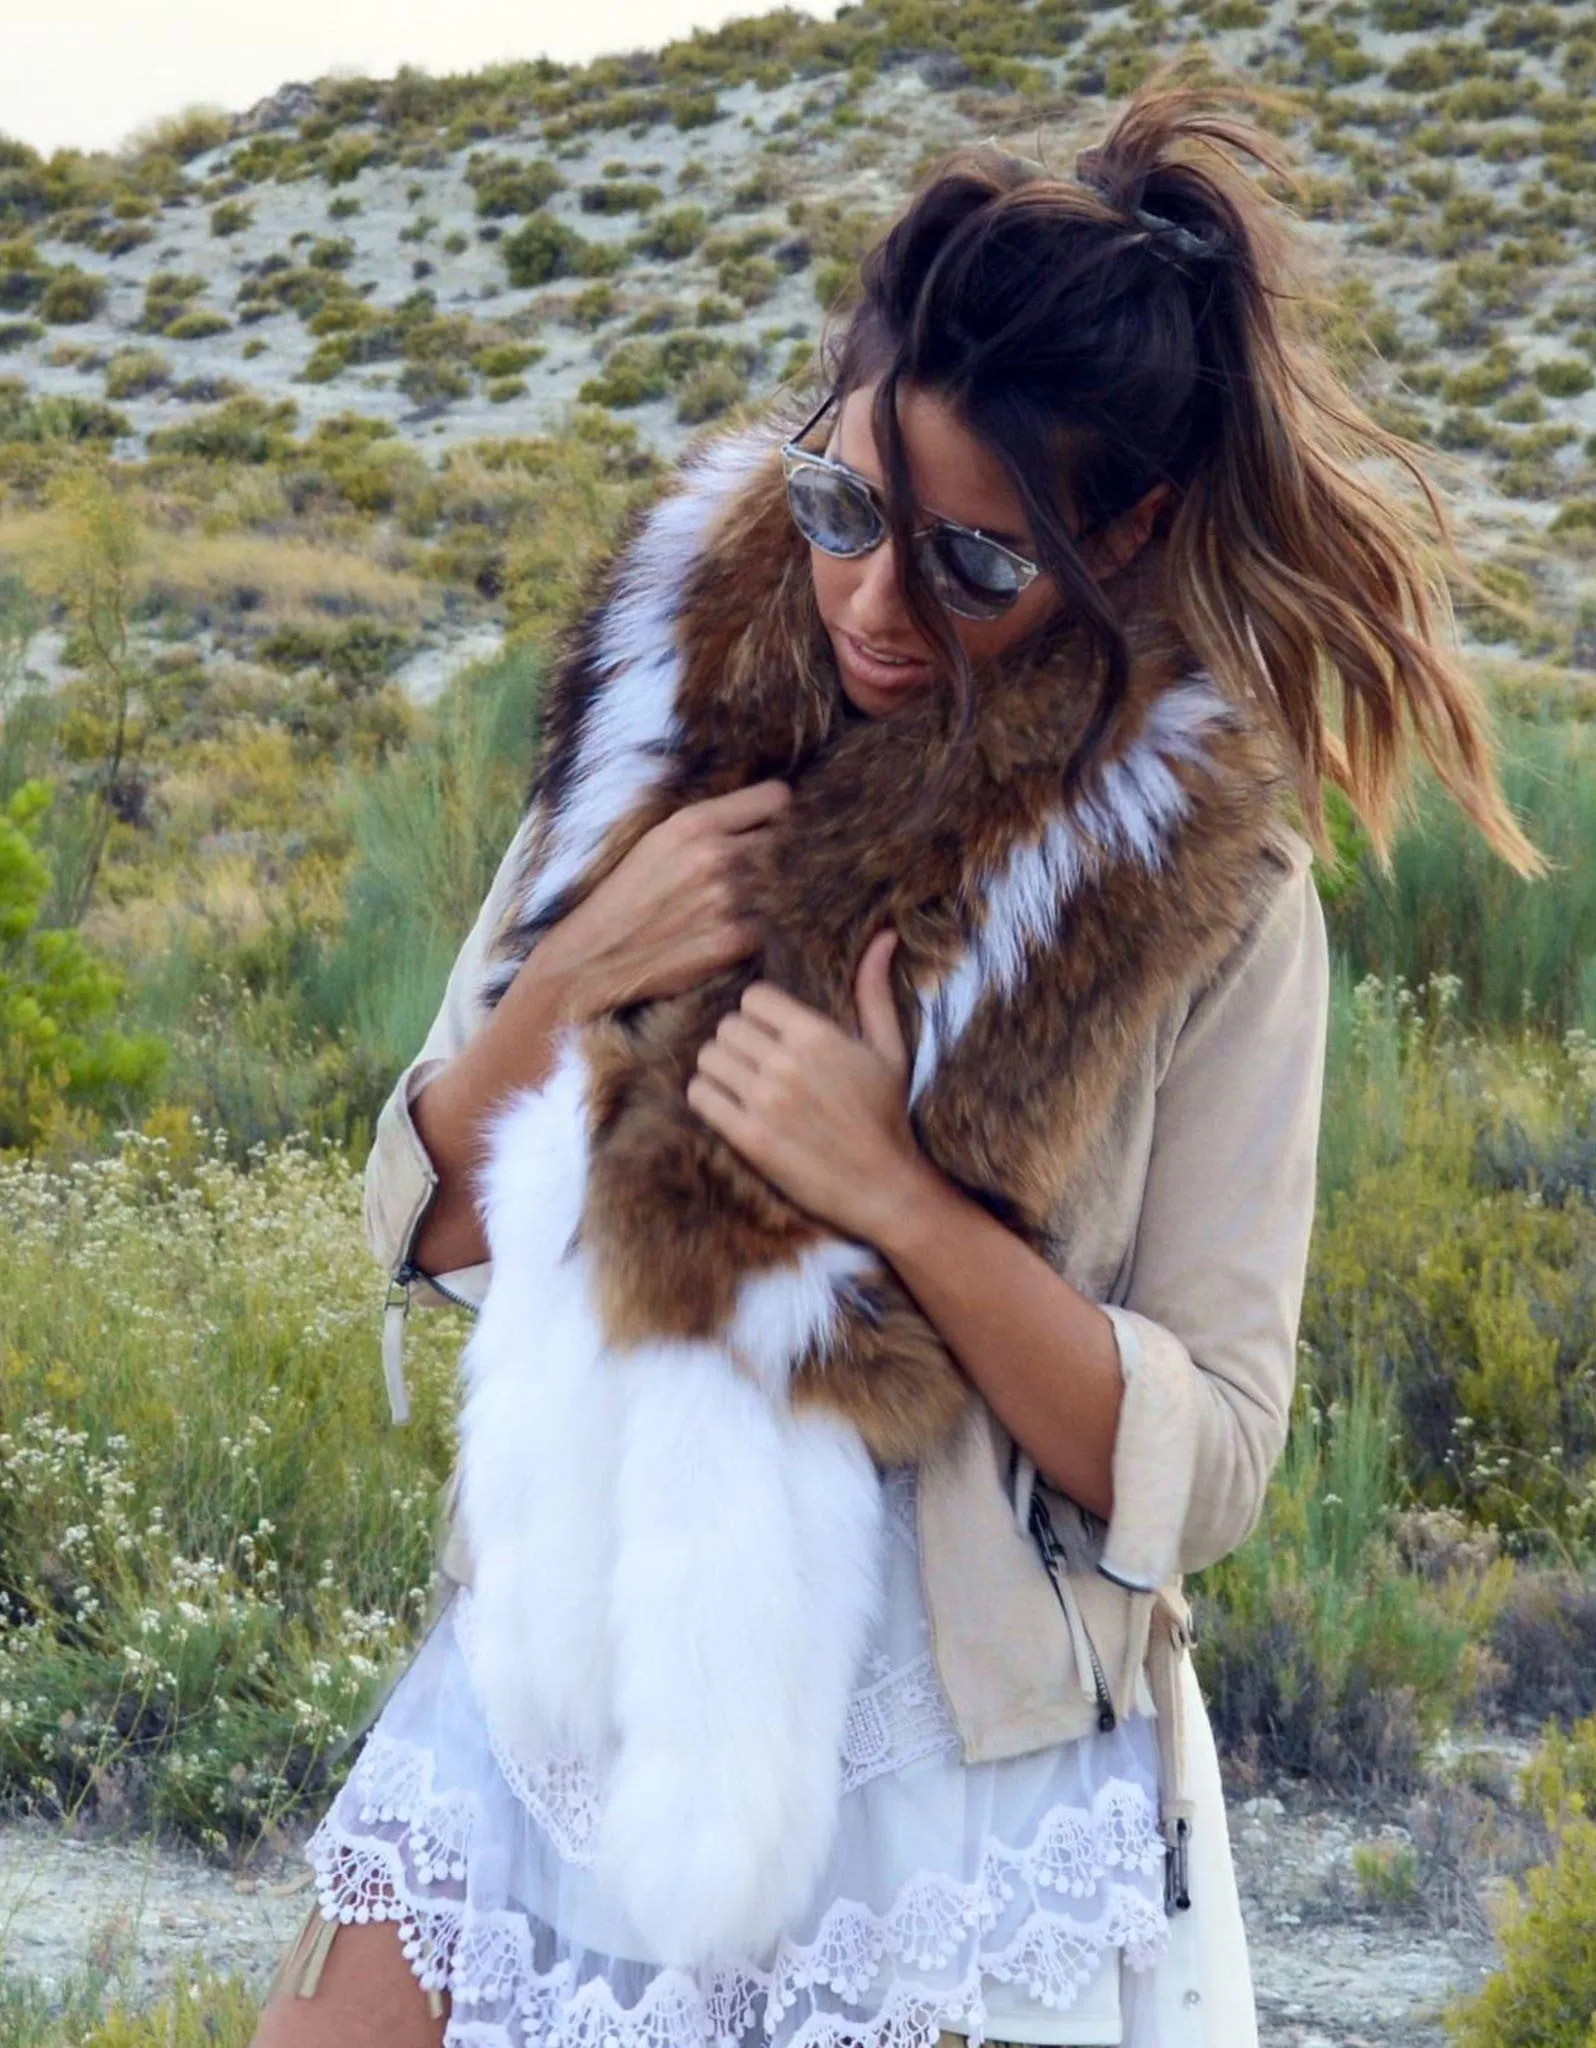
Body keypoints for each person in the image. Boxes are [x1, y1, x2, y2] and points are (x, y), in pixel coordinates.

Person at [252, 74, 1542, 2048]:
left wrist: (892, 1198)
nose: (870, 597)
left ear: (1129, 532)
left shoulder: (1207, 897)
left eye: (971, 563)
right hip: (568, 1665)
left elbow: (1203, 1458)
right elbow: (422, 1226)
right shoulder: (662, 726)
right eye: (844, 506)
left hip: (948, 1751)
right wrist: (570, 974)